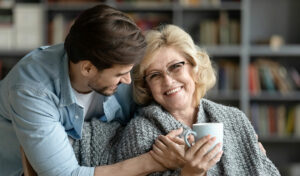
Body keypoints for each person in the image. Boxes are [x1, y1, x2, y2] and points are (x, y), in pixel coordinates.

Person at [72, 24, 280, 176]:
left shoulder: (235, 119)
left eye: (176, 66)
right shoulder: (142, 132)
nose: (168, 81)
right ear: (147, 86)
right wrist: (191, 173)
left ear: (194, 68)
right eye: (155, 75)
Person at [0, 4, 179, 176]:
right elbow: (66, 174)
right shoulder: (32, 91)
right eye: (120, 74)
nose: (128, 80)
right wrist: (156, 161)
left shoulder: (114, 61)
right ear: (87, 69)